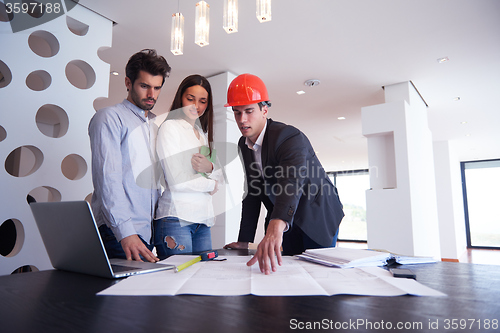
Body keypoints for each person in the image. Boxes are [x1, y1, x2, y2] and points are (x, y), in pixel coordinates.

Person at [223, 74, 344, 274]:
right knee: (290, 272)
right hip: (287, 216)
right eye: (237, 113)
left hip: (316, 212)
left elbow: (291, 181)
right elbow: (253, 190)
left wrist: (276, 225)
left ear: (264, 110)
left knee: (318, 275)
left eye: (249, 111)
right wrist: (245, 240)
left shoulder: (288, 136)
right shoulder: (243, 145)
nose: (242, 120)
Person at [88, 49, 171, 262]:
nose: (152, 94)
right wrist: (126, 234)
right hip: (119, 234)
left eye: (157, 87)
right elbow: (108, 179)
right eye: (144, 86)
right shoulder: (109, 118)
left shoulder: (154, 126)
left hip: (146, 235)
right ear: (128, 82)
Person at [154, 74, 223, 257]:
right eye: (190, 98)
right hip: (176, 218)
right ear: (180, 98)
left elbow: (220, 176)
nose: (196, 106)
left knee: (201, 281)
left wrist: (210, 168)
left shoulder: (201, 133)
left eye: (202, 101)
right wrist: (211, 184)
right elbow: (178, 181)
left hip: (203, 220)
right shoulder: (170, 128)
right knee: (177, 283)